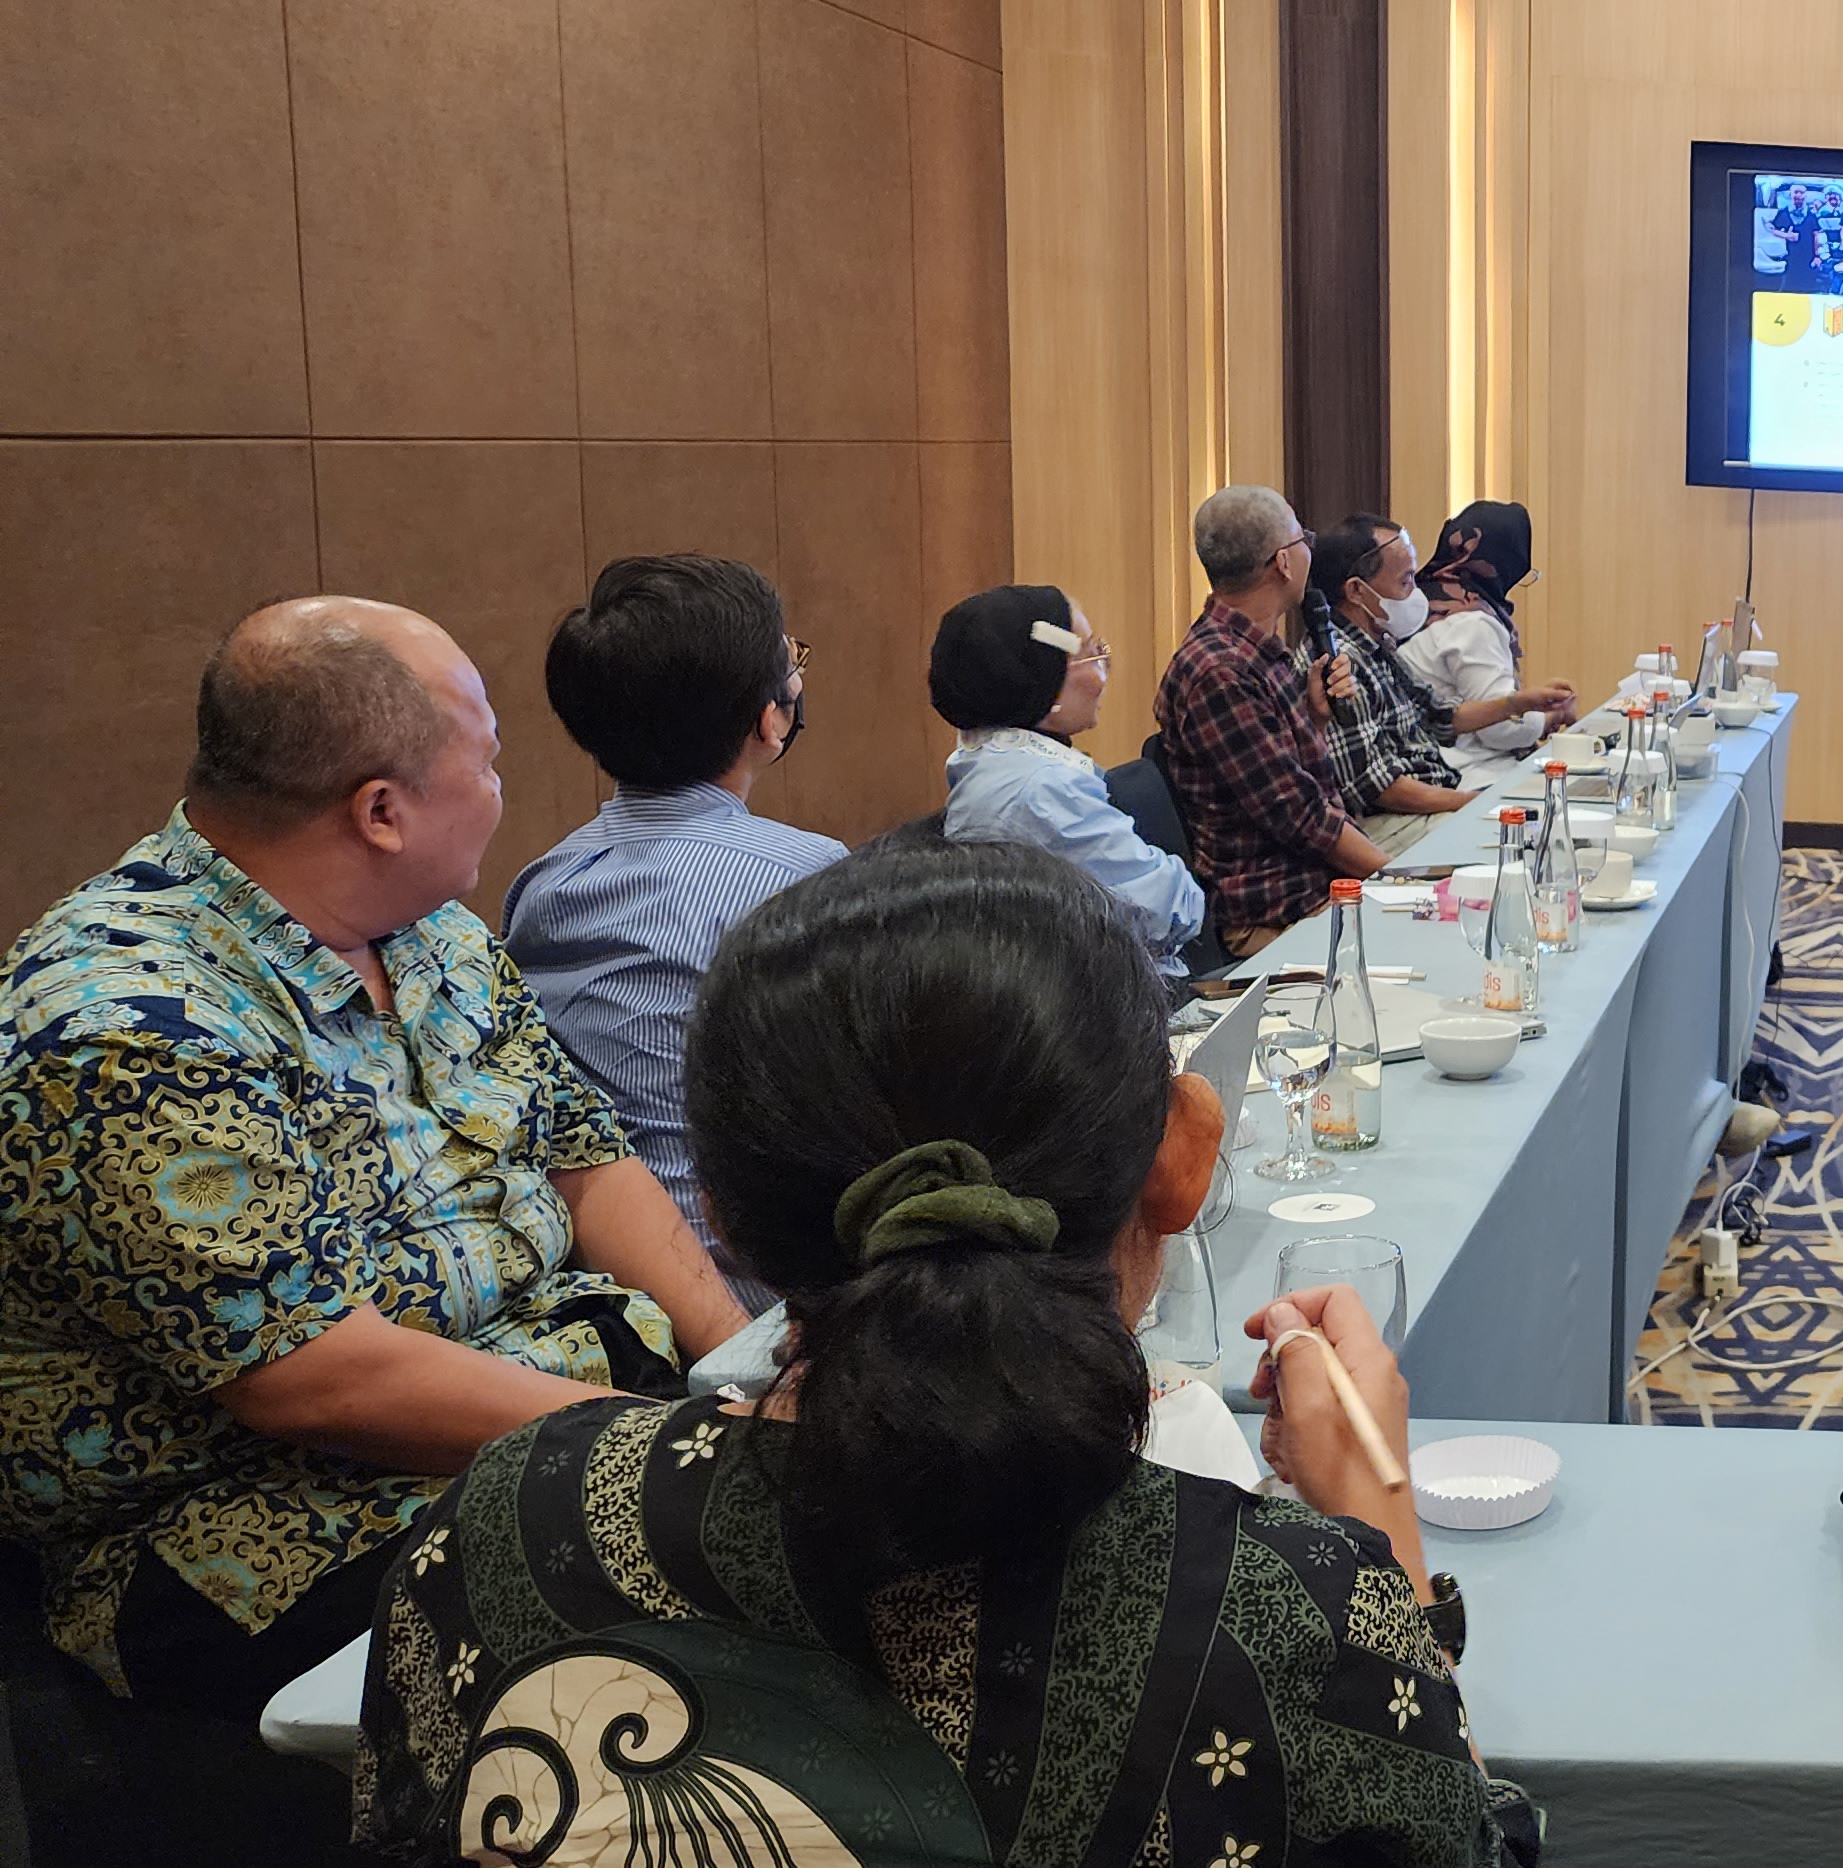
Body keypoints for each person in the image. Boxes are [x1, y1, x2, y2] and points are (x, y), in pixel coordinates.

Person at [355, 839, 1542, 1866]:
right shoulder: (1297, 1610)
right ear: (1180, 1162)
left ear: (719, 1216)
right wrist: (1385, 1543)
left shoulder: (512, 1517)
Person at [0, 599, 747, 1725]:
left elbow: (583, 1157)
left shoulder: (429, 929)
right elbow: (308, 1374)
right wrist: (674, 1448)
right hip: (267, 1528)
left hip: (558, 1402)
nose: (500, 788)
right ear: (382, 811)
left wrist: (743, 1366)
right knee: (756, 1608)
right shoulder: (127, 1025)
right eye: (486, 762)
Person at [506, 555, 847, 1277]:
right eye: (790, 661)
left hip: (595, 1269)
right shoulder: (805, 874)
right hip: (761, 1280)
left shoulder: (542, 881)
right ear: (769, 719)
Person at [1154, 484, 1395, 954]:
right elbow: (1300, 815)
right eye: (1304, 538)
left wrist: (1316, 720)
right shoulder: (1220, 671)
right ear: (1283, 562)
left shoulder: (1251, 649)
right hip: (1277, 911)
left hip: (1314, 887)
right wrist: (1398, 880)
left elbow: (1293, 785)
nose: (1309, 549)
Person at [929, 582, 1206, 976]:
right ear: (1042, 680)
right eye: (1091, 654)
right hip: (1118, 1001)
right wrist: (1177, 876)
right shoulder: (1041, 792)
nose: (1102, 675)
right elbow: (1168, 910)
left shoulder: (985, 762)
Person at [1296, 513, 1485, 824]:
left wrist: (1518, 704)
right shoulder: (1337, 662)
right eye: (1405, 581)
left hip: (1432, 795)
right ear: (1356, 591)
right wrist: (1469, 803)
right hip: (1389, 820)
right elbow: (1376, 787)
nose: (1416, 594)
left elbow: (1437, 716)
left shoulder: (1377, 642)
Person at [1400, 500, 1582, 784]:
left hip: (1429, 767)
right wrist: (1551, 717)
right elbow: (1499, 730)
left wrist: (1532, 702)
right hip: (1466, 776)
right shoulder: (1472, 622)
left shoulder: (1424, 602)